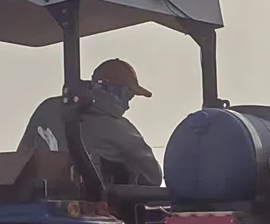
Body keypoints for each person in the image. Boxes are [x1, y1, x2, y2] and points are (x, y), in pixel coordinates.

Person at [19, 57, 162, 188]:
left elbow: (21, 157)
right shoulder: (118, 128)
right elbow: (154, 176)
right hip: (92, 205)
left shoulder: (46, 109)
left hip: (34, 202)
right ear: (116, 91)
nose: (128, 105)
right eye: (129, 96)